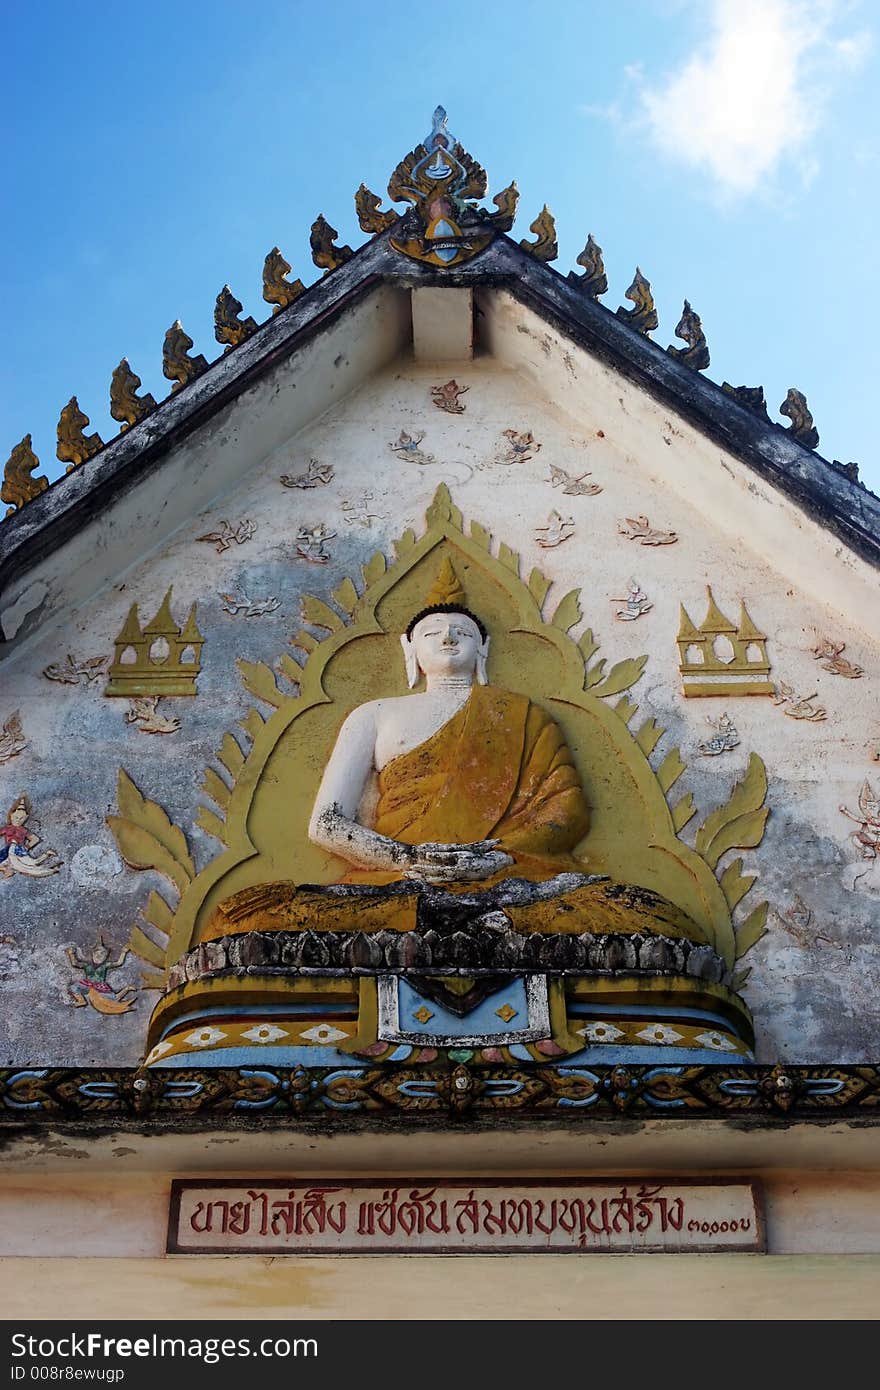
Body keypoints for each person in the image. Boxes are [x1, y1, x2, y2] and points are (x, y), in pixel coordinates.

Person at [207, 562, 704, 944]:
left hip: (511, 881)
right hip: (398, 882)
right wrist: (411, 858)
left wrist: (492, 859)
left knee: (652, 918)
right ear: (410, 651)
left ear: (482, 650)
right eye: (431, 633)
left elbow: (565, 812)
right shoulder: (375, 714)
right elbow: (328, 825)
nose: (447, 637)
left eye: (462, 633)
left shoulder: (521, 715)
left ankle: (471, 918)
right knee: (245, 923)